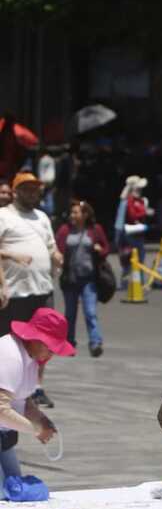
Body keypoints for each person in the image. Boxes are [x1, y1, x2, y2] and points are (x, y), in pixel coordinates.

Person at [0, 173, 62, 408]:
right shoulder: (3, 216)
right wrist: (2, 284)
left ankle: (36, 387)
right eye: (26, 188)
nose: (32, 193)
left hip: (42, 290)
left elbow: (51, 247)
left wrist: (56, 256)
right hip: (15, 293)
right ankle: (7, 388)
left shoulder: (42, 217)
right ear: (16, 191)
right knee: (9, 343)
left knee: (43, 342)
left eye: (35, 189)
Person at [0, 307, 70, 481]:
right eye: (51, 348)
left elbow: (21, 400)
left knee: (15, 486)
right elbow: (1, 410)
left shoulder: (31, 358)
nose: (52, 354)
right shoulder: (10, 355)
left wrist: (41, 420)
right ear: (36, 340)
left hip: (4, 436)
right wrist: (36, 429)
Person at [55, 199, 110, 357]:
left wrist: (100, 250)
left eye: (75, 212)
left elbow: (106, 248)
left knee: (90, 312)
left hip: (89, 279)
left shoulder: (95, 229)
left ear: (85, 214)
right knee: (70, 313)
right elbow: (56, 247)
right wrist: (59, 258)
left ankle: (95, 343)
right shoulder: (65, 230)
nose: (72, 215)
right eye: (71, 212)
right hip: (70, 279)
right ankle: (69, 343)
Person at [114, 175, 152, 289]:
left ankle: (126, 283)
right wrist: (145, 212)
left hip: (128, 233)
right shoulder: (129, 200)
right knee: (137, 257)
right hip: (130, 233)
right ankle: (137, 283)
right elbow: (131, 216)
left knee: (128, 258)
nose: (140, 190)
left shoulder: (126, 200)